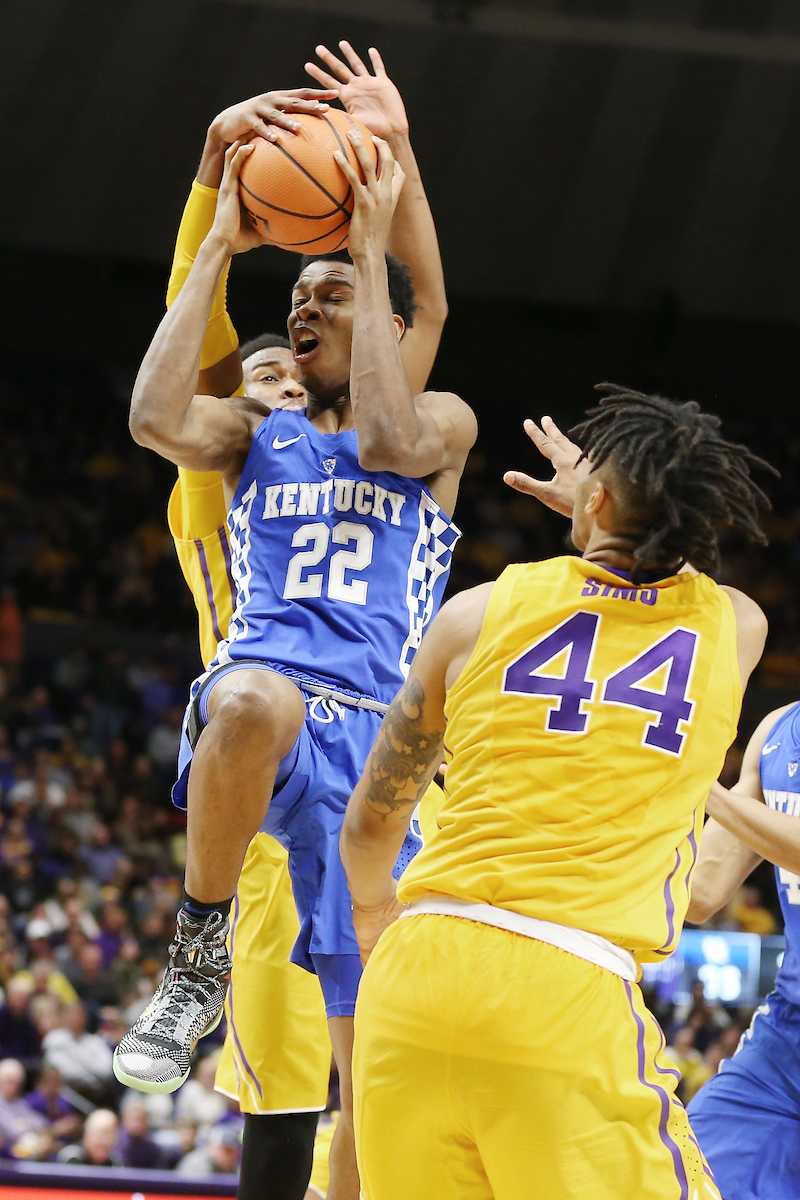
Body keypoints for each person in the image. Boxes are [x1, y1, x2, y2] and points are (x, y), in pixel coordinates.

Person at [116, 47, 475, 1200]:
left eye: (325, 302)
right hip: (267, 713)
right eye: (291, 307)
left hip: (386, 753)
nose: (299, 319)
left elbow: (414, 343)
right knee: (251, 695)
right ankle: (196, 950)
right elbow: (159, 410)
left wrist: (392, 167)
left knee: (375, 1077)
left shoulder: (430, 426)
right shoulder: (243, 440)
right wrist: (219, 236)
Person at [340, 385, 771, 1200]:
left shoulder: (473, 614)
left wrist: (372, 921)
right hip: (565, 984)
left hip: (413, 976)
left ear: (595, 498)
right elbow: (677, 571)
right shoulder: (734, 626)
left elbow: (371, 820)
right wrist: (614, 506)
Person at [685, 697, 800, 1198]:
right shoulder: (778, 727)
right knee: (685, 1178)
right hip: (785, 1036)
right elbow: (700, 892)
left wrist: (695, 780)